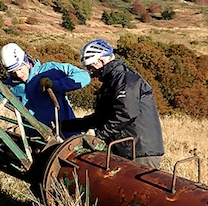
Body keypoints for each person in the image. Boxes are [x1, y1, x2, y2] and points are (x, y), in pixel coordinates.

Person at [61, 38, 165, 168]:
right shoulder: (112, 82)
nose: (92, 74)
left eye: (92, 69)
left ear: (102, 61)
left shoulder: (125, 80)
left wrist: (99, 135)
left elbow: (126, 113)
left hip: (140, 151)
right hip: (127, 148)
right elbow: (101, 117)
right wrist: (66, 125)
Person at [0, 43, 90, 137]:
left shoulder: (50, 70)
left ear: (26, 61)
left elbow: (83, 76)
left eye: (20, 69)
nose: (18, 74)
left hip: (67, 133)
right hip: (36, 139)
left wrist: (55, 84)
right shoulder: (9, 86)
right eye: (12, 72)